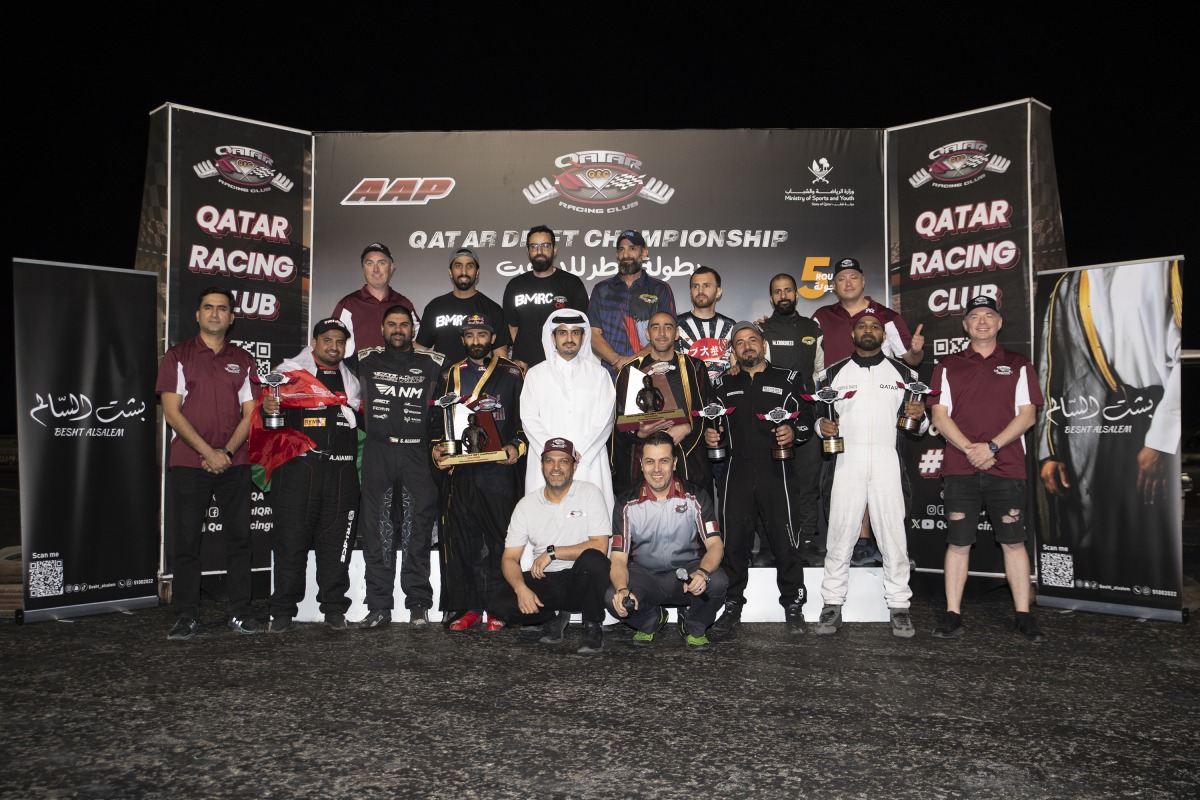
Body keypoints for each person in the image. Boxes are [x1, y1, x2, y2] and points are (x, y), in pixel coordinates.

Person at [1036, 261, 1181, 590]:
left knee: (1153, 533)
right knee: (1103, 531)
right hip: (1101, 431)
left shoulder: (1166, 269)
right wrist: (1050, 452)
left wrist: (1160, 441)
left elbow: (1181, 358)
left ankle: (1155, 607)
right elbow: (1052, 372)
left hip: (1158, 424)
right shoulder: (1069, 285)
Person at [928, 294, 1047, 643]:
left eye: (989, 315)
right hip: (961, 467)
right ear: (965, 324)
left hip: (1006, 466)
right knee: (958, 543)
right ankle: (953, 614)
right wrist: (971, 450)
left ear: (999, 323)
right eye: (975, 316)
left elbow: (1028, 415)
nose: (982, 321)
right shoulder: (947, 364)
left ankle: (1023, 615)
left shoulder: (1018, 363)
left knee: (1014, 542)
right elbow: (939, 415)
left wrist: (992, 446)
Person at [810, 310, 928, 638]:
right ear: (853, 334)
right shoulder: (832, 374)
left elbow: (921, 426)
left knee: (893, 535)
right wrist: (823, 427)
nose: (868, 330)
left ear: (882, 335)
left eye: (875, 326)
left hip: (887, 462)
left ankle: (900, 605)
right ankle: (832, 603)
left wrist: (919, 415)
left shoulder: (904, 373)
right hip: (847, 462)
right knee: (839, 534)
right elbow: (817, 419)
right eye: (862, 325)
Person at [156, 286, 260, 640]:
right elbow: (172, 411)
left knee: (239, 540)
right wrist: (208, 452)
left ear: (232, 318)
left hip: (237, 462)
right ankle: (186, 615)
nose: (215, 313)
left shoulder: (244, 359)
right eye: (208, 307)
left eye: (222, 308)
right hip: (189, 462)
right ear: (198, 315)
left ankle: (241, 613)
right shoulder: (178, 355)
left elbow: (251, 413)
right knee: (186, 542)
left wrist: (226, 453)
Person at [704, 322, 816, 637]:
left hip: (776, 470)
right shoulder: (722, 384)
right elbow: (710, 424)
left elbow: (808, 418)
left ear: (763, 344)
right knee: (734, 545)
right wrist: (712, 435)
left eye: (753, 340)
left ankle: (794, 606)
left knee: (785, 543)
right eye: (740, 342)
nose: (747, 346)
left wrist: (794, 432)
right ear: (734, 351)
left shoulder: (788, 378)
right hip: (735, 470)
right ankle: (732, 606)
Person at [813, 257, 926, 567]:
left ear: (863, 281)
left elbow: (910, 361)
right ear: (833, 285)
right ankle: (856, 546)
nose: (847, 283)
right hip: (839, 404)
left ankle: (881, 549)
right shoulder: (821, 315)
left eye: (853, 277)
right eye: (841, 278)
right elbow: (811, 354)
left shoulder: (887, 316)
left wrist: (916, 349)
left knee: (883, 480)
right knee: (845, 480)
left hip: (880, 405)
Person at [251, 318, 361, 633]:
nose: (334, 346)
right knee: (290, 542)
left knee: (337, 543)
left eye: (340, 342)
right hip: (299, 470)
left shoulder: (352, 382)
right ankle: (282, 611)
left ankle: (335, 608)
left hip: (341, 471)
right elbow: (264, 422)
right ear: (314, 343)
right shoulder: (287, 376)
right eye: (327, 340)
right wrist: (269, 404)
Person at [430, 314, 527, 631]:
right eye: (469, 335)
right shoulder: (449, 375)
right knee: (463, 540)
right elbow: (436, 424)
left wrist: (516, 447)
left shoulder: (511, 374)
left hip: (498, 472)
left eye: (481, 335)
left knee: (499, 542)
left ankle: (498, 608)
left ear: (491, 338)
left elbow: (525, 423)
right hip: (461, 474)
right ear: (462, 339)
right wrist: (436, 448)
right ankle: (468, 608)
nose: (476, 341)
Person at [354, 305, 444, 629]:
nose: (398, 330)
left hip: (417, 453)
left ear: (413, 330)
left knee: (417, 529)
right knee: (377, 530)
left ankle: (418, 603)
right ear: (382, 328)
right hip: (378, 449)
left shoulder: (433, 364)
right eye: (392, 324)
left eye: (404, 325)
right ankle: (379, 606)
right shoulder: (364, 360)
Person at [607, 432, 729, 651]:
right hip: (644, 576)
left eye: (663, 461)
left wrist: (702, 572)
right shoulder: (626, 503)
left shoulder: (696, 496)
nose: (656, 469)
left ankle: (693, 625)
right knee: (611, 597)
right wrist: (622, 589)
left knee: (717, 581)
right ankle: (650, 620)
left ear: (674, 463)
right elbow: (617, 558)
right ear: (641, 464)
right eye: (650, 461)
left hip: (686, 574)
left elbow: (715, 545)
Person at [489, 437, 612, 654]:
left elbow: (600, 546)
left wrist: (553, 553)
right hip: (544, 579)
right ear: (542, 465)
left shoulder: (590, 493)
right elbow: (509, 558)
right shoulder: (526, 505)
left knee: (594, 560)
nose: (556, 468)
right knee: (498, 603)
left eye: (563, 461)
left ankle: (592, 625)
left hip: (579, 579)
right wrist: (520, 589)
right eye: (549, 461)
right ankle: (551, 616)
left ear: (574, 466)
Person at [520, 310, 617, 514]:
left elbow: (606, 418)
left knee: (593, 519)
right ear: (553, 338)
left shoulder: (599, 375)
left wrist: (578, 453)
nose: (569, 339)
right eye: (563, 333)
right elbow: (529, 419)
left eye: (575, 333)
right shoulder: (535, 375)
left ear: (583, 338)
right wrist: (555, 454)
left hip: (589, 462)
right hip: (546, 464)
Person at [758, 273, 825, 566]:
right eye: (777, 291)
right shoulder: (763, 330)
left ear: (797, 294)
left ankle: (808, 542)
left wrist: (822, 412)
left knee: (807, 483)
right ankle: (769, 547)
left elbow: (820, 374)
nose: (783, 295)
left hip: (806, 417)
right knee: (768, 484)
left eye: (788, 290)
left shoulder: (813, 328)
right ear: (771, 297)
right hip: (770, 421)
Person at [610, 311, 711, 496]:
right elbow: (619, 421)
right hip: (644, 465)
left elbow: (708, 411)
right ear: (647, 334)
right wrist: (638, 432)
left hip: (687, 462)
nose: (662, 333)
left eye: (668, 327)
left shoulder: (694, 367)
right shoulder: (631, 370)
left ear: (677, 333)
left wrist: (689, 427)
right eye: (655, 328)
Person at [588, 229, 677, 377]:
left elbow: (668, 333)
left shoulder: (660, 289)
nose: (626, 254)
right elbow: (593, 334)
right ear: (617, 255)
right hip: (611, 375)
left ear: (644, 253)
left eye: (632, 248)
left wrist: (634, 361)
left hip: (652, 374)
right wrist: (617, 360)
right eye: (621, 249)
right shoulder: (601, 289)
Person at [501, 225, 589, 372]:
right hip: (525, 368)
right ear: (528, 250)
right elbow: (512, 328)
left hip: (563, 368)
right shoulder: (515, 286)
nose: (539, 251)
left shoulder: (572, 283)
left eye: (545, 246)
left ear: (554, 249)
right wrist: (521, 357)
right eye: (534, 246)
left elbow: (582, 328)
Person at [416, 248, 511, 363]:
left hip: (481, 380)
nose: (464, 271)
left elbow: (501, 356)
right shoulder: (435, 307)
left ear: (477, 272)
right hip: (441, 379)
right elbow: (420, 350)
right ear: (450, 272)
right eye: (458, 266)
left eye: (470, 266)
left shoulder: (493, 309)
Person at [331, 242, 420, 361]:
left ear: (392, 267)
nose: (376, 270)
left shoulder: (404, 304)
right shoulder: (348, 304)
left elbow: (419, 344)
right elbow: (333, 344)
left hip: (396, 377)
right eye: (369, 263)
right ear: (363, 268)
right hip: (357, 377)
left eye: (381, 263)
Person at [676, 265, 737, 385]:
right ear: (690, 292)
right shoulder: (676, 325)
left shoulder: (730, 326)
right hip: (689, 398)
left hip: (722, 398)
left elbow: (736, 368)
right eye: (695, 286)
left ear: (718, 292)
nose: (700, 291)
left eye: (706, 285)